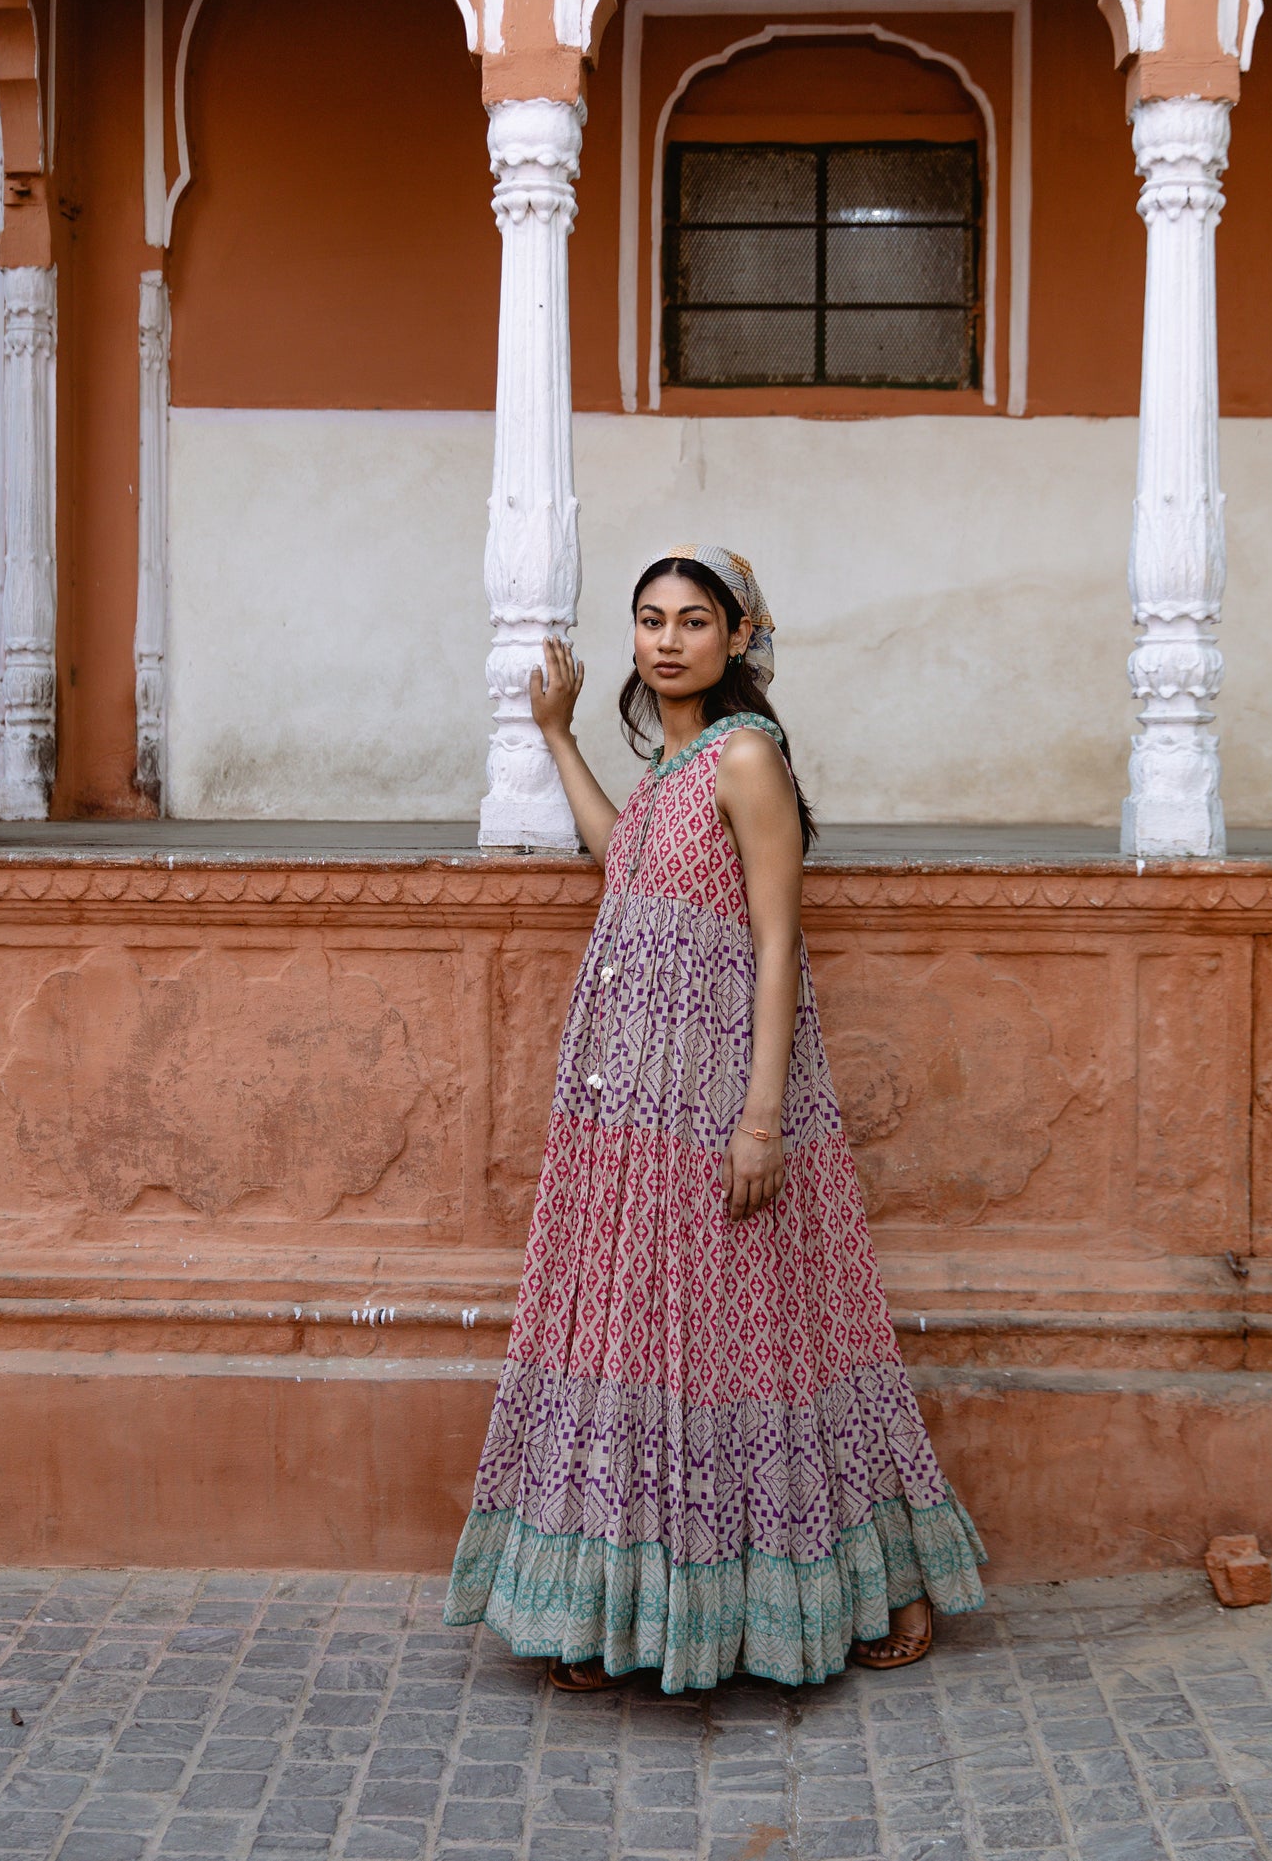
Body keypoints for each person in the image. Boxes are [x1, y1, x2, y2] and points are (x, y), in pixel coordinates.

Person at [444, 545, 986, 1693]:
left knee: (771, 1339)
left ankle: (882, 1586)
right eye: (649, 620)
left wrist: (757, 1121)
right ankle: (613, 1612)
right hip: (631, 1106)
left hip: (719, 1101)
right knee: (646, 1344)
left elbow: (780, 941)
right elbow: (622, 861)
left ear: (737, 639)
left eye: (694, 620)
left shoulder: (745, 758)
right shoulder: (677, 765)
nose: (666, 639)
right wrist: (555, 734)